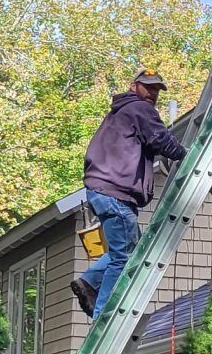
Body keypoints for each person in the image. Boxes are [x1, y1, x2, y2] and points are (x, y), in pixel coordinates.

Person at [72, 70, 186, 319]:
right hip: (115, 194)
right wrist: (186, 155)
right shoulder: (140, 109)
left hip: (101, 191)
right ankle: (103, 316)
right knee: (124, 258)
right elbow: (161, 140)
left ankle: (89, 281)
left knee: (129, 250)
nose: (153, 93)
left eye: (156, 89)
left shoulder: (118, 114)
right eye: (148, 87)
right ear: (134, 86)